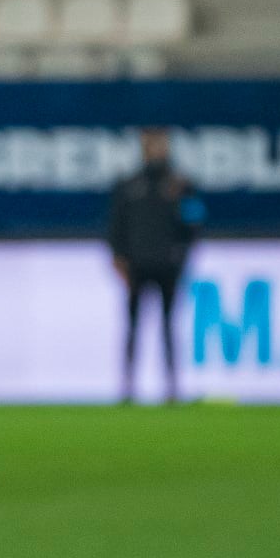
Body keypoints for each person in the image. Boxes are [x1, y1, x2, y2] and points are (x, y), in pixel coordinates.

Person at [108, 127, 203, 404]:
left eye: (160, 144)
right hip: (137, 265)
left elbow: (194, 224)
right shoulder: (129, 186)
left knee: (168, 326)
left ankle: (172, 387)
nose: (156, 149)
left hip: (168, 266)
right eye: (151, 144)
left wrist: (182, 257)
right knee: (133, 326)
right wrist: (118, 258)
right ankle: (127, 386)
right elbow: (116, 227)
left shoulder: (181, 185)